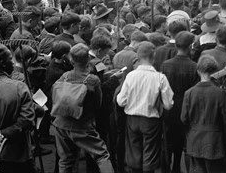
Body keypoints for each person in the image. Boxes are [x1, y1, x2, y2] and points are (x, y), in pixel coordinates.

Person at [52, 43, 115, 173]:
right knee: (102, 155)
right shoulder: (93, 80)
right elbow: (98, 104)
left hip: (60, 123)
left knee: (65, 160)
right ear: (88, 59)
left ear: (71, 59)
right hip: (82, 125)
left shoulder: (64, 77)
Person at [116, 41, 174, 173]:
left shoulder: (130, 76)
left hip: (132, 119)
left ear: (138, 57)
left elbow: (120, 101)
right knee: (150, 153)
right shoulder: (160, 78)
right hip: (151, 120)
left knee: (134, 153)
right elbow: (168, 104)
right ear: (154, 57)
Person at [0, 44, 36, 173]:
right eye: (10, 59)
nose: (12, 63)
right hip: (18, 155)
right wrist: (2, 134)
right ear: (2, 63)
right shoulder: (19, 87)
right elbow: (27, 121)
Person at [181, 55, 226, 173]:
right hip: (215, 141)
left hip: (194, 140)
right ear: (214, 70)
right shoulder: (219, 93)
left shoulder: (189, 93)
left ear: (198, 71)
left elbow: (183, 118)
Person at [161, 32, 199, 173]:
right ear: (190, 46)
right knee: (182, 142)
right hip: (186, 109)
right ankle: (177, 166)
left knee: (167, 141)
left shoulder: (166, 65)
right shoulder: (194, 67)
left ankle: (167, 167)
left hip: (168, 109)